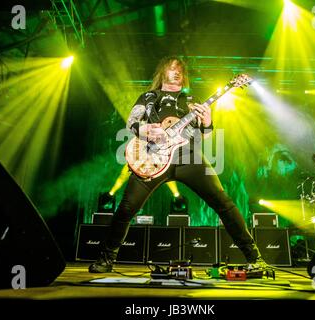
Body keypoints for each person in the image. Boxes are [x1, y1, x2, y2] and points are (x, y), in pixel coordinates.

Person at [89, 56, 263, 273]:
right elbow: (133, 121)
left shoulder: (191, 98)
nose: (177, 71)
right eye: (172, 67)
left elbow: (205, 136)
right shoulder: (149, 97)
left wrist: (208, 122)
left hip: (188, 156)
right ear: (162, 72)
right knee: (126, 208)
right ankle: (106, 259)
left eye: (180, 68)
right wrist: (143, 130)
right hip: (152, 157)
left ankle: (254, 257)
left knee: (224, 202)